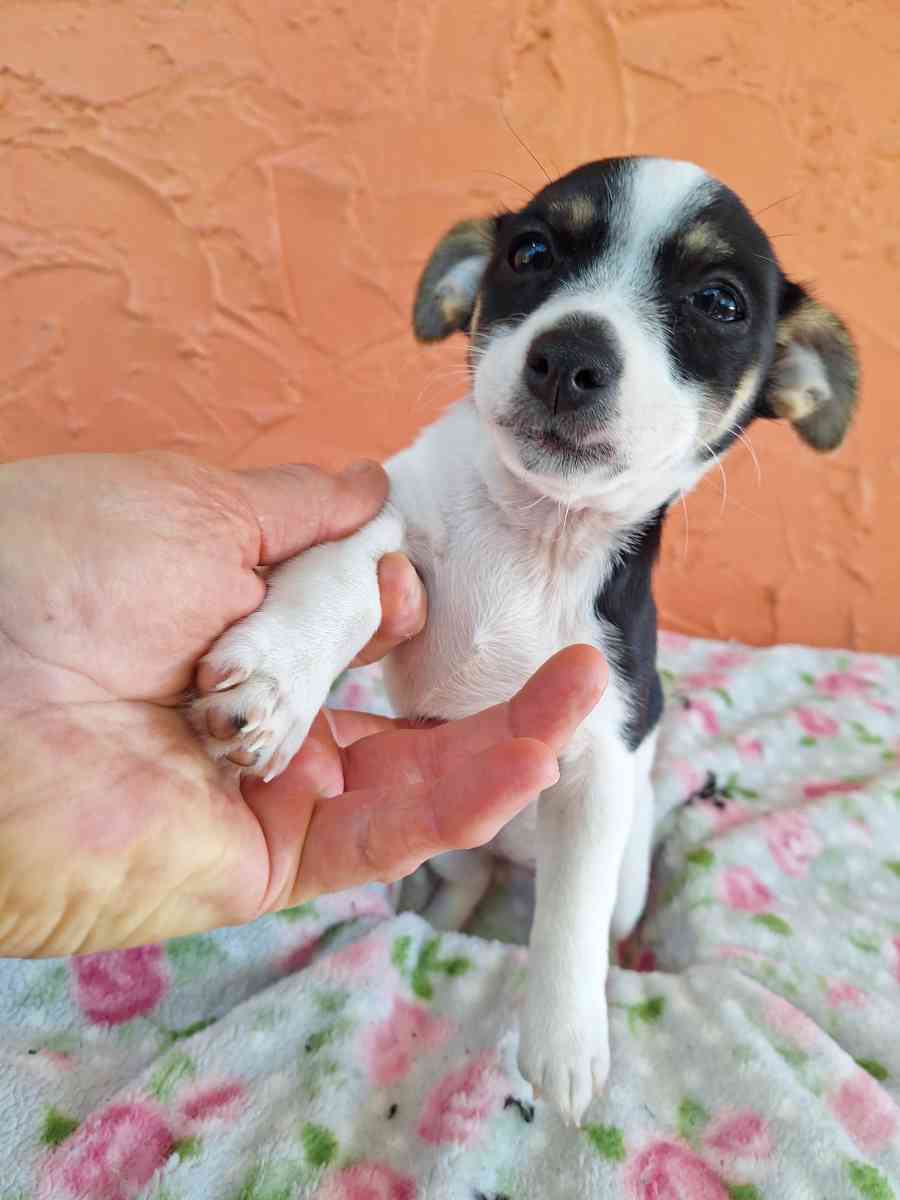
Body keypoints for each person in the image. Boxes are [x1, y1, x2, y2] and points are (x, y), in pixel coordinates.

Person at [0, 451, 606, 958]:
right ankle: (464, 884)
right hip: (437, 786)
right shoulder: (443, 464)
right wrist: (296, 651)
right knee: (443, 837)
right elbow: (371, 541)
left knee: (614, 902)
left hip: (542, 813)